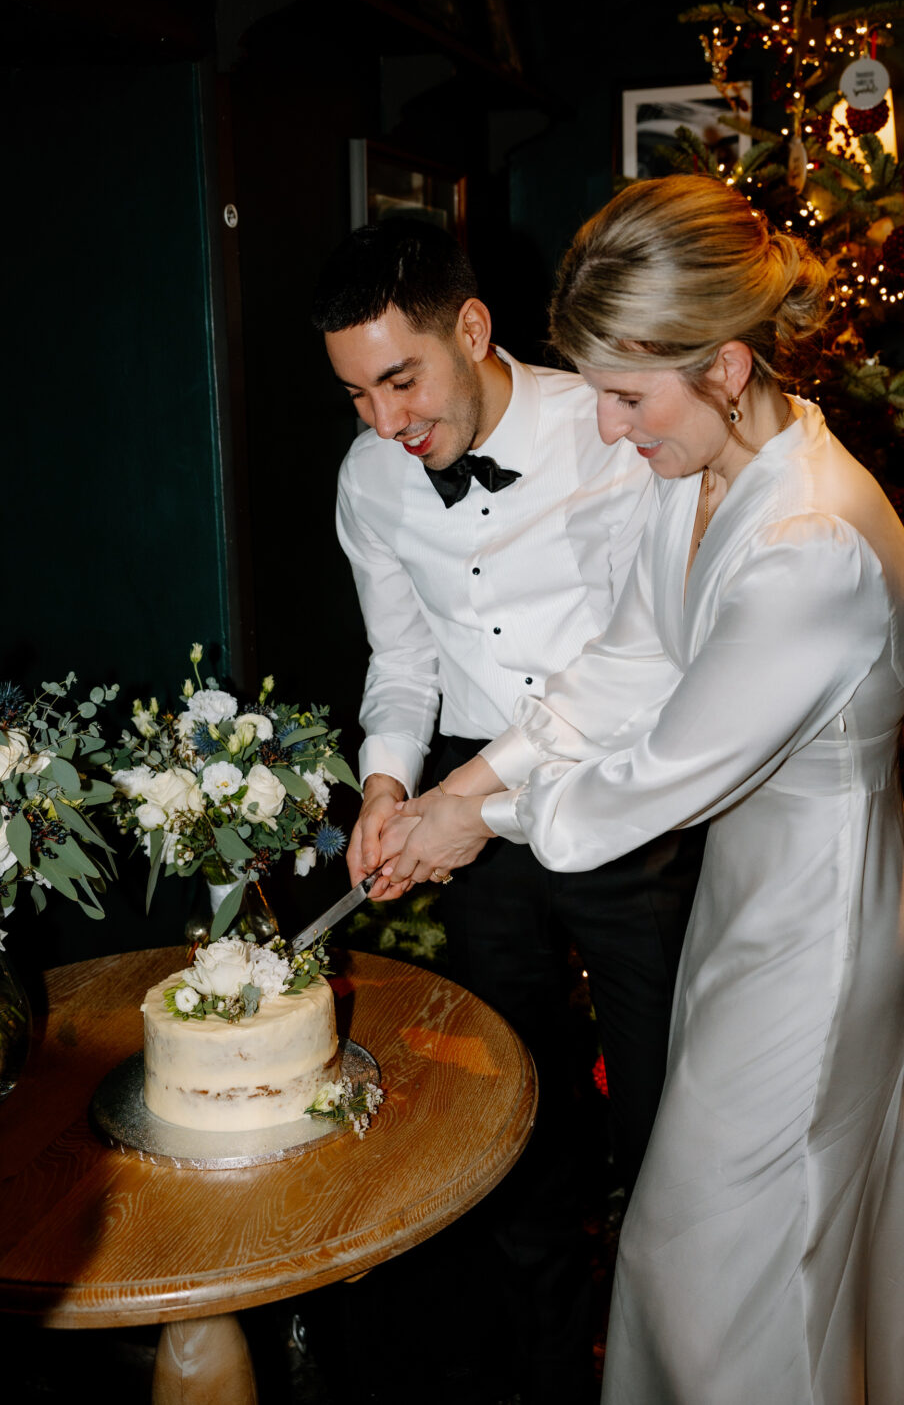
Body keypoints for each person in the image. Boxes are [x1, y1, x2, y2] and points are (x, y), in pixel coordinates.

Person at [380, 177, 904, 1404]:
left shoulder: (807, 546)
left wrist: (476, 821)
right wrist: (468, 783)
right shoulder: (700, 478)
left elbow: (645, 784)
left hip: (818, 934)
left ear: (728, 366)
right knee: (713, 1247)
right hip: (747, 912)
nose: (607, 428)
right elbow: (625, 665)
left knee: (736, 1265)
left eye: (626, 397)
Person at [313, 218, 703, 1402]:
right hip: (464, 801)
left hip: (621, 788)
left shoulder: (608, 432)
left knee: (659, 1091)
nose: (387, 423)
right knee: (508, 1087)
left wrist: (469, 799)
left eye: (401, 379)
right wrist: (387, 784)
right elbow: (403, 661)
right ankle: (545, 1355)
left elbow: (640, 660)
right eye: (354, 394)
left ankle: (667, 1342)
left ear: (470, 329)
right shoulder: (369, 480)